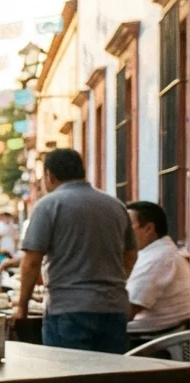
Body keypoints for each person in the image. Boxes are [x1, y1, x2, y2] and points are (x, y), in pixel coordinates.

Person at [16, 149, 137, 353]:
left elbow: (32, 261)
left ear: (49, 176)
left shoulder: (48, 205)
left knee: (68, 379)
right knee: (111, 377)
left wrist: (22, 306)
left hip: (68, 309)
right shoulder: (115, 206)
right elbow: (131, 256)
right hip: (113, 307)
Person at [126, 201, 190, 337]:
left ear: (148, 228)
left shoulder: (157, 258)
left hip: (148, 339)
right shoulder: (156, 252)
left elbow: (128, 310)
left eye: (127, 226)